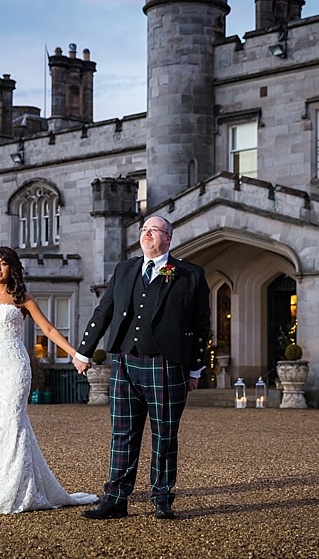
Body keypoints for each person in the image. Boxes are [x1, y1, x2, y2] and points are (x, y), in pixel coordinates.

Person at [73, 216, 210, 520]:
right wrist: (84, 351)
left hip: (167, 365)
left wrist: (196, 370)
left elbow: (202, 326)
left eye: (154, 230)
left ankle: (162, 498)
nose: (146, 234)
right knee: (122, 434)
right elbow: (104, 311)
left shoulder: (191, 274)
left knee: (164, 435)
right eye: (144, 230)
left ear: (168, 238)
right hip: (124, 361)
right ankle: (116, 499)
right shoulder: (125, 269)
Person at [0, 246, 98, 514]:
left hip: (13, 368)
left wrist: (76, 354)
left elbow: (49, 329)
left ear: (12, 268)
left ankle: (17, 493)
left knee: (12, 423)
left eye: (3, 263)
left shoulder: (22, 298)